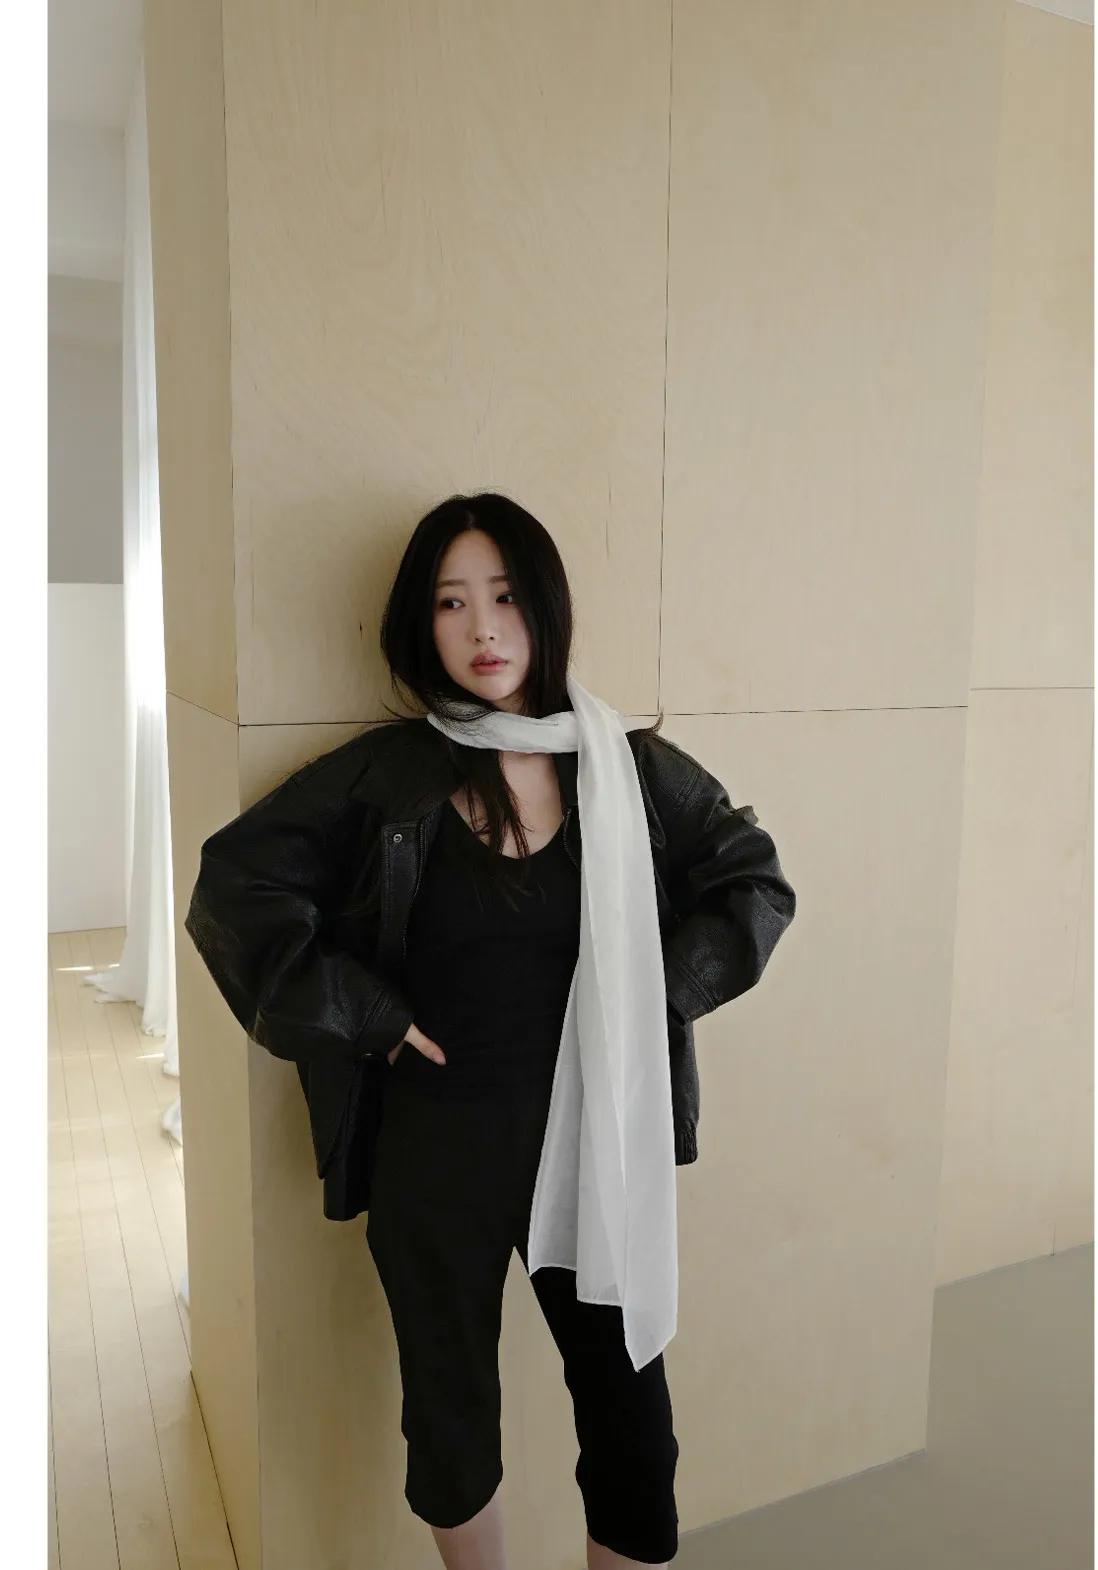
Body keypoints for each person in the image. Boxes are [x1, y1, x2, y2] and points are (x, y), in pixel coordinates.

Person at [184, 491, 797, 1569]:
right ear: (419, 624)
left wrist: (648, 994)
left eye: (505, 597)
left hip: (592, 1143)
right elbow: (235, 889)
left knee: (630, 1420)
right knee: (450, 1417)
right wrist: (366, 1014)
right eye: (450, 602)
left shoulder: (624, 766)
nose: (482, 629)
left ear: (544, 607)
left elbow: (753, 884)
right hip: (438, 1149)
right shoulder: (391, 775)